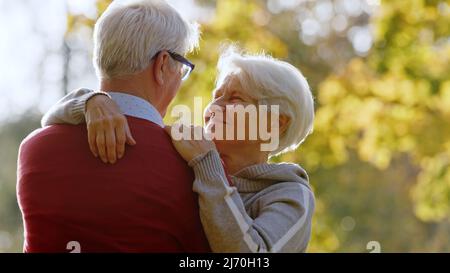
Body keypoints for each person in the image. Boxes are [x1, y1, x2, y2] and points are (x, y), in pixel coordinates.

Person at [42, 47, 316, 252]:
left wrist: (207, 165)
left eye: (234, 98)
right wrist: (92, 102)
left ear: (274, 123)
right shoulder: (184, 156)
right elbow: (50, 121)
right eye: (215, 97)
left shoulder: (291, 194)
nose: (211, 109)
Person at [17, 0, 210, 252]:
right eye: (181, 69)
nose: (180, 81)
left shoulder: (33, 150)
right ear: (162, 65)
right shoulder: (195, 164)